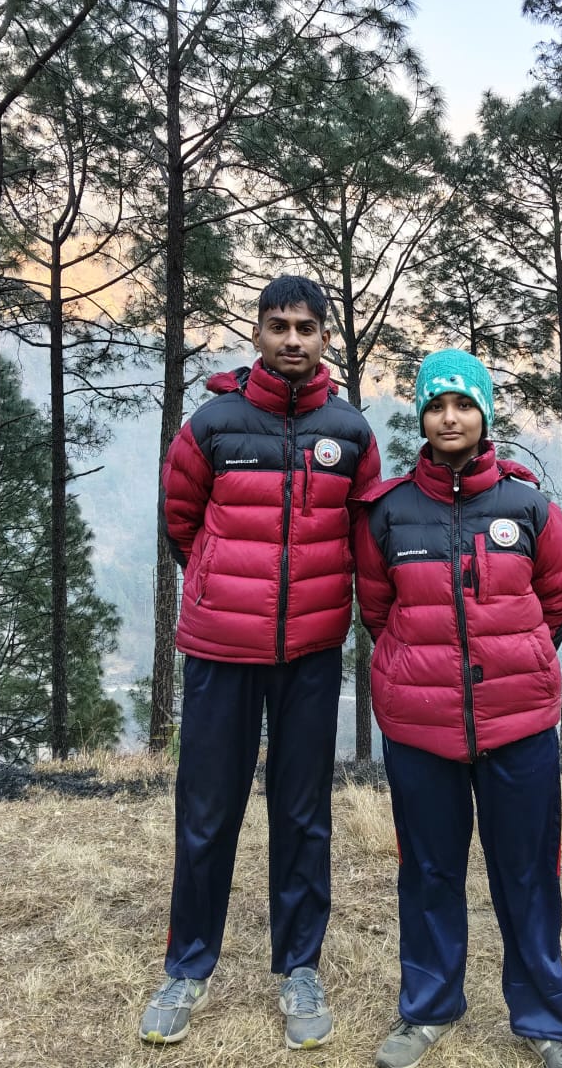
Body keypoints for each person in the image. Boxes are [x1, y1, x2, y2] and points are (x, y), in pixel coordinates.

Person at [140, 275, 381, 1051]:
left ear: (325, 337)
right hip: (221, 651)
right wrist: (222, 586)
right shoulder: (212, 423)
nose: (292, 340)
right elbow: (181, 519)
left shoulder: (350, 432)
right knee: (207, 813)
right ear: (258, 333)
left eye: (306, 327)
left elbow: (364, 536)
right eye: (279, 326)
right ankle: (187, 969)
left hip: (311, 652)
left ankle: (299, 967)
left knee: (303, 816)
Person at [353, 349, 562, 1068]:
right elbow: (378, 610)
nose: (449, 418)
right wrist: (424, 672)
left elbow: (555, 600)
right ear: (421, 417)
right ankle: (427, 1010)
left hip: (519, 726)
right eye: (436, 405)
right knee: (429, 872)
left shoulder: (529, 507)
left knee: (528, 875)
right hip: (420, 728)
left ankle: (545, 1022)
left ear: (485, 414)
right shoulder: (389, 512)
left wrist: (515, 662)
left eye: (463, 404)